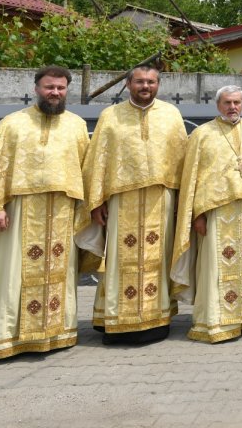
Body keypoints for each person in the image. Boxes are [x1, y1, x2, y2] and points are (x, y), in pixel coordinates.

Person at [0, 66, 87, 359]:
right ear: (36, 89)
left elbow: (85, 170)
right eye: (49, 87)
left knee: (58, 274)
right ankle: (5, 337)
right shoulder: (13, 123)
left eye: (61, 88)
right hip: (19, 213)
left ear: (67, 91)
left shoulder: (77, 125)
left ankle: (54, 335)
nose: (55, 93)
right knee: (11, 274)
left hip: (62, 211)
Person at [76, 63, 187, 344]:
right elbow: (98, 161)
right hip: (121, 203)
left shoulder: (171, 115)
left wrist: (181, 201)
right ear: (128, 84)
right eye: (139, 82)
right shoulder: (110, 116)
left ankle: (156, 320)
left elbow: (182, 161)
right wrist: (96, 202)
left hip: (160, 202)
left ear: (158, 85)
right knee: (118, 260)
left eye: (151, 82)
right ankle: (114, 320)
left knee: (157, 260)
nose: (145, 87)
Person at [171, 86, 242, 343]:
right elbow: (192, 179)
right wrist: (197, 216)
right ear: (218, 105)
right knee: (216, 268)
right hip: (216, 212)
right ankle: (215, 320)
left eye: (237, 102)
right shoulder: (202, 135)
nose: (233, 107)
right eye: (227, 102)